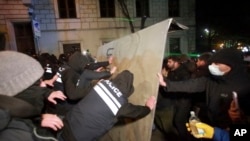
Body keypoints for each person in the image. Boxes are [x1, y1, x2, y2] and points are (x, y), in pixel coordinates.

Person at [0, 51, 156, 141]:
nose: (41, 83)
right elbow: (136, 111)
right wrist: (148, 107)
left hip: (68, 121)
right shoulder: (70, 73)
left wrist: (103, 74)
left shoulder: (77, 72)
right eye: (35, 84)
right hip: (73, 128)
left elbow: (88, 69)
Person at [158, 48, 250, 130]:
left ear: (231, 65)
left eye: (217, 63)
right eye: (212, 63)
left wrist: (240, 121)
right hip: (212, 124)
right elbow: (191, 84)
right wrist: (166, 84)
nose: (212, 66)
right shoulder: (212, 80)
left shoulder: (246, 86)